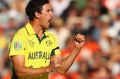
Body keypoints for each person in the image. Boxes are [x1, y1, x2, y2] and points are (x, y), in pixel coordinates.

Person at [9, 0, 85, 79]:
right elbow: (20, 72)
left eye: (51, 11)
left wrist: (76, 49)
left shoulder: (51, 38)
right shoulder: (20, 36)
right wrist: (47, 68)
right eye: (48, 11)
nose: (52, 14)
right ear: (37, 14)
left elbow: (61, 69)